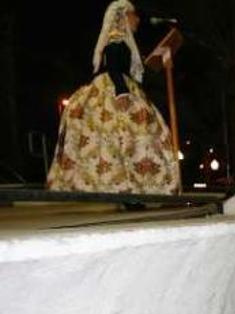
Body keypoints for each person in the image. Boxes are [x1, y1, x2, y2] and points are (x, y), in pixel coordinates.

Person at [47, 0, 180, 194]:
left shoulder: (122, 40)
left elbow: (125, 69)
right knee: (124, 133)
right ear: (123, 17)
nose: (137, 19)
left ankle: (133, 182)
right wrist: (121, 91)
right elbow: (114, 68)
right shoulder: (116, 39)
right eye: (133, 15)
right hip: (115, 89)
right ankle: (126, 183)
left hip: (122, 86)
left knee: (129, 135)